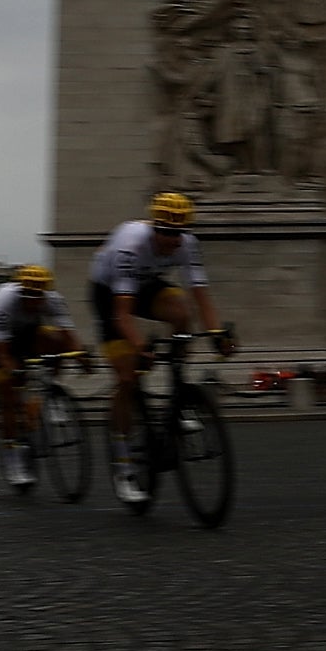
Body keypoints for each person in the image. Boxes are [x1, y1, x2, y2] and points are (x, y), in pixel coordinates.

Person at [91, 193, 234, 505]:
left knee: (182, 313)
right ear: (153, 227)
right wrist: (139, 346)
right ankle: (123, 463)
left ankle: (178, 395)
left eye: (177, 233)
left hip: (146, 284)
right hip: (110, 296)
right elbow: (122, 315)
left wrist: (217, 334)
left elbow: (202, 297)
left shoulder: (188, 243)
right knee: (128, 378)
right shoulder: (131, 246)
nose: (172, 241)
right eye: (165, 233)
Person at [0, 263, 88, 486]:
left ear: (45, 293)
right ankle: (12, 457)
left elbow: (68, 335)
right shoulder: (4, 303)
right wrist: (13, 370)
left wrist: (80, 356)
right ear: (20, 291)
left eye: (38, 297)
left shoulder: (54, 299)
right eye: (28, 296)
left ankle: (51, 392)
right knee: (9, 396)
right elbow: (2, 353)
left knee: (55, 340)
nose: (33, 301)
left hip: (28, 330)